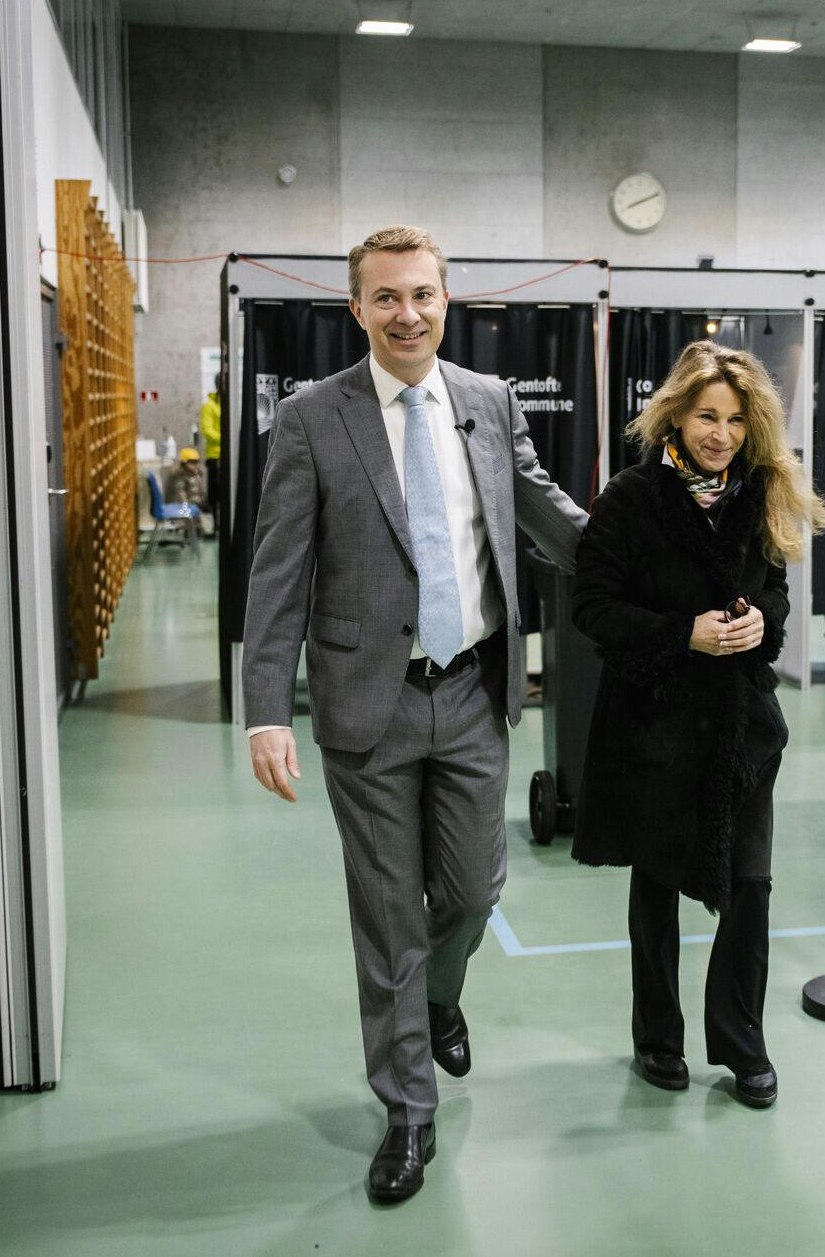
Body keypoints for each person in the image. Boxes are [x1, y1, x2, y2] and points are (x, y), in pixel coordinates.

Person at [240, 225, 586, 1204]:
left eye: (423, 295)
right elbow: (278, 573)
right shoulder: (313, 418)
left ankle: (437, 996)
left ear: (448, 301)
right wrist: (265, 707)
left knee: (471, 892)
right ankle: (407, 1111)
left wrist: (647, 556)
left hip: (476, 692)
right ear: (357, 308)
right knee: (388, 913)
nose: (407, 313)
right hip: (368, 705)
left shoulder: (487, 401)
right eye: (386, 297)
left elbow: (547, 514)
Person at [569, 341, 825, 1110]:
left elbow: (774, 592)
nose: (721, 434)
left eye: (737, 421)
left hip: (742, 728)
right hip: (654, 730)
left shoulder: (758, 494)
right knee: (656, 889)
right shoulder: (629, 498)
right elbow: (594, 608)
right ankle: (657, 1040)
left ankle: (743, 1046)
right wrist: (681, 633)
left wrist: (760, 625)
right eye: (708, 416)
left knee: (750, 886)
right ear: (676, 414)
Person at [199, 376, 223, 514]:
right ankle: (213, 525)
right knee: (214, 493)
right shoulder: (209, 405)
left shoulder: (228, 403)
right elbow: (207, 431)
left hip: (228, 455)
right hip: (215, 456)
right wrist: (225, 440)